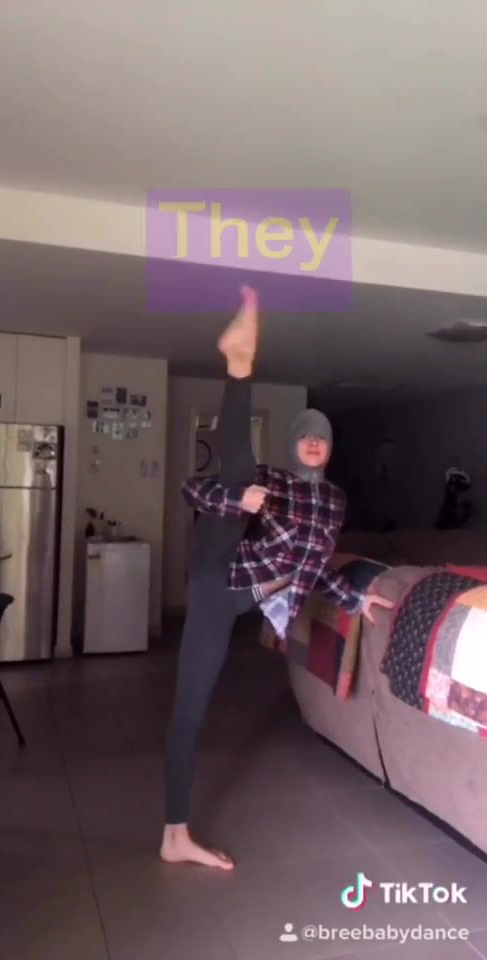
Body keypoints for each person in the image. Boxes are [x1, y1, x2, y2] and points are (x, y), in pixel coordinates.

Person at [161, 286, 393, 870]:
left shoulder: (334, 500)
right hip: (219, 574)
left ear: (329, 449)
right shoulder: (277, 480)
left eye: (323, 436)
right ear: (294, 445)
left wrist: (355, 599)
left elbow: (314, 564)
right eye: (305, 434)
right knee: (239, 473)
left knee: (192, 706)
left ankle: (174, 838)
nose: (314, 441)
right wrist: (239, 498)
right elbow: (191, 488)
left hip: (248, 597)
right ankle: (239, 366)